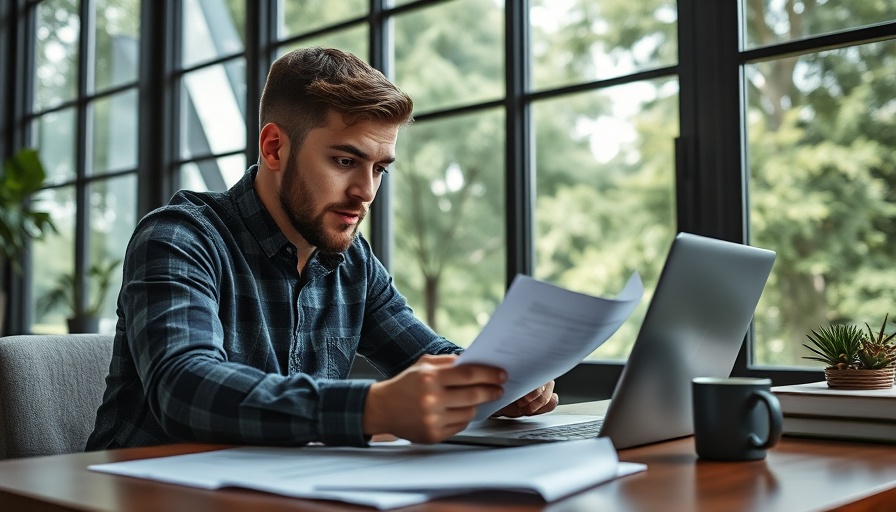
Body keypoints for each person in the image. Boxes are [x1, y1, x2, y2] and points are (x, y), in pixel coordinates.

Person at [87, 47, 557, 450]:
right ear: (274, 148)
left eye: (379, 169)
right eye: (345, 160)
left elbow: (426, 356)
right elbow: (184, 388)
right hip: (137, 492)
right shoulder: (180, 238)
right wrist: (372, 407)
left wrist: (499, 382)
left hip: (275, 492)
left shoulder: (354, 264)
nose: (366, 191)